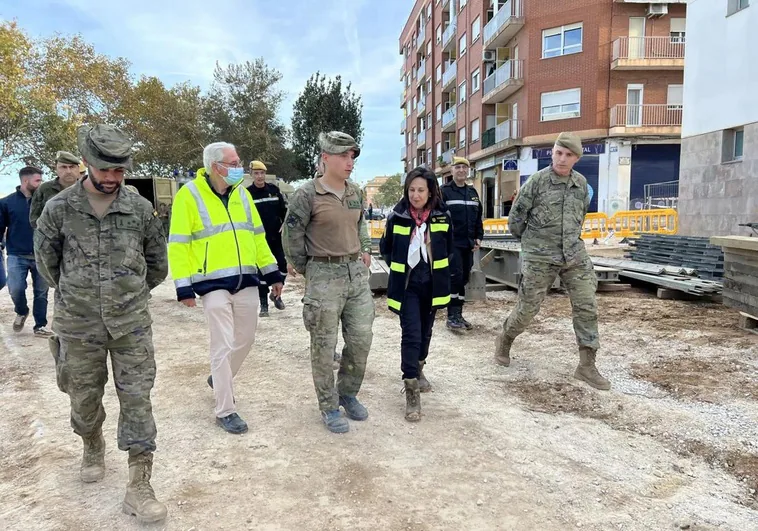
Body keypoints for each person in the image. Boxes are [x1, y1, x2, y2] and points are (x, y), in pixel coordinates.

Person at [34, 124, 169, 523]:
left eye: (119, 171)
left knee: (138, 399)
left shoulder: (139, 208)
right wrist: (82, 296)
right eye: (105, 170)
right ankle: (91, 443)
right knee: (83, 397)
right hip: (78, 326)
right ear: (86, 164)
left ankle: (139, 483)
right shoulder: (57, 209)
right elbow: (47, 265)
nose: (112, 178)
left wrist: (126, 295)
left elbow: (157, 264)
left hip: (130, 324)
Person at [168, 142, 284, 435]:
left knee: (245, 338)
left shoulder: (242, 195)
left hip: (245, 279)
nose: (239, 167)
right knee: (222, 343)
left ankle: (219, 378)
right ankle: (225, 410)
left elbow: (257, 237)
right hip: (211, 283)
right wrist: (183, 286)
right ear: (215, 166)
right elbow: (178, 243)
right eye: (233, 162)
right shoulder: (189, 196)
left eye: (238, 161)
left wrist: (273, 273)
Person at [494, 132, 609, 391]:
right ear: (552, 152)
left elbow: (579, 217)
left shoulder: (581, 185)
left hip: (573, 255)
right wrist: (535, 243)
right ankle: (505, 339)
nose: (562, 159)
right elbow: (515, 222)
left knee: (587, 306)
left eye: (568, 155)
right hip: (539, 256)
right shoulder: (536, 183)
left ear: (576, 158)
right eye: (558, 152)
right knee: (527, 310)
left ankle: (587, 366)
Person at [283, 131, 374, 434]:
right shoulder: (306, 194)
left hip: (355, 276)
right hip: (323, 275)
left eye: (353, 157)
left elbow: (361, 224)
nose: (350, 162)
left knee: (361, 340)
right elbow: (291, 236)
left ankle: (347, 393)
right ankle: (328, 405)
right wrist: (308, 269)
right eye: (344, 156)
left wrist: (365, 249)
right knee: (323, 345)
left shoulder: (355, 192)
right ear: (326, 158)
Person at [380, 167, 452, 422]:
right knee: (411, 334)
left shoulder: (442, 216)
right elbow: (386, 249)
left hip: (432, 286)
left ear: (430, 191)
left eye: (421, 190)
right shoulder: (397, 217)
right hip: (407, 286)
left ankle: (419, 368)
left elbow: (449, 248)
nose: (415, 195)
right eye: (411, 189)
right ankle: (411, 388)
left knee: (426, 333)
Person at [0, 166, 52, 336]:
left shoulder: (46, 202)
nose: (41, 183)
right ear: (25, 181)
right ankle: (21, 311)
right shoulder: (6, 203)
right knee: (15, 288)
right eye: (38, 180)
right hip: (16, 254)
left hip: (41, 255)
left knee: (41, 292)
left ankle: (40, 325)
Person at [441, 157, 483, 331]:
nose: (461, 170)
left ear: (468, 171)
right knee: (455, 277)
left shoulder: (472, 192)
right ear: (452, 171)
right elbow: (438, 216)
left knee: (464, 277)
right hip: (451, 244)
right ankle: (451, 316)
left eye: (464, 168)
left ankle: (459, 314)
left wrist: (479, 236)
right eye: (457, 167)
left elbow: (478, 217)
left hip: (468, 244)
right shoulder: (444, 192)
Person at [246, 160, 288, 317]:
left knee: (283, 267)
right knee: (261, 273)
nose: (259, 176)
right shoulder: (247, 193)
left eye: (262, 173)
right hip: (258, 239)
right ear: (251, 175)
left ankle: (276, 294)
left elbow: (284, 211)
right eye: (256, 173)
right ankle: (264, 305)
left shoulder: (274, 190)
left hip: (276, 237)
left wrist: (284, 224)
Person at [29, 151, 81, 229]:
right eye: (63, 167)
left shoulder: (88, 189)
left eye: (72, 167)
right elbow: (34, 219)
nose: (68, 171)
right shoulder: (44, 189)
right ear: (56, 169)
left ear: (78, 169)